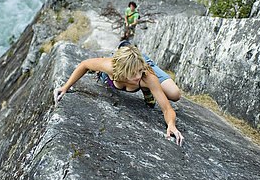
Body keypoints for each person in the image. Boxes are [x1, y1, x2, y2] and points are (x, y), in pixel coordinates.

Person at [53, 43, 184, 146]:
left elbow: (167, 109)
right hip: (117, 65)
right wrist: (65, 87)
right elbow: (84, 64)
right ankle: (122, 50)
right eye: (133, 73)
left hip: (142, 62)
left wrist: (171, 125)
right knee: (107, 71)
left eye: (139, 71)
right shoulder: (110, 66)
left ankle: (146, 87)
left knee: (174, 94)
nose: (138, 76)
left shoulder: (146, 75)